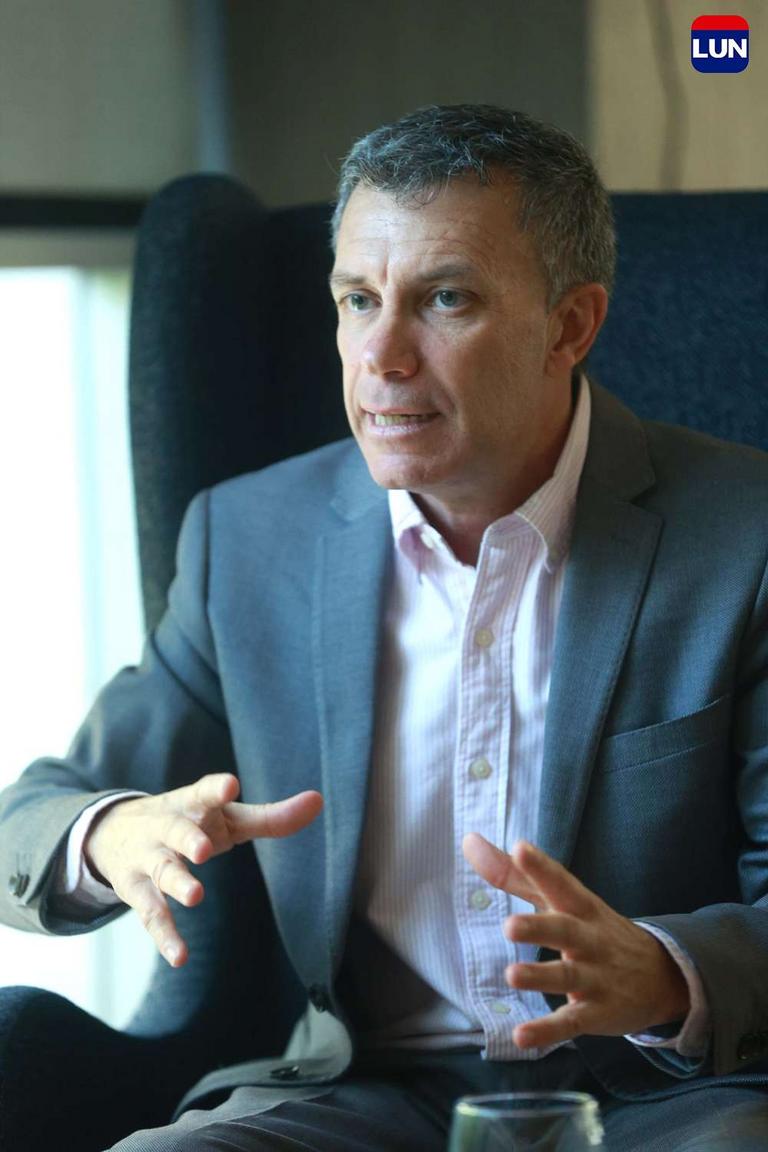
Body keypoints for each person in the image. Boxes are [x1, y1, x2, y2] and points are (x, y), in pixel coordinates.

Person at [1, 104, 767, 1151]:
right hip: (363, 1094)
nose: (382, 356)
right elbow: (30, 816)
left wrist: (667, 973)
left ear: (570, 325)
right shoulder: (249, 543)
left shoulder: (744, 536)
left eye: (445, 299)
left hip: (667, 1095)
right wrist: (110, 832)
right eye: (358, 300)